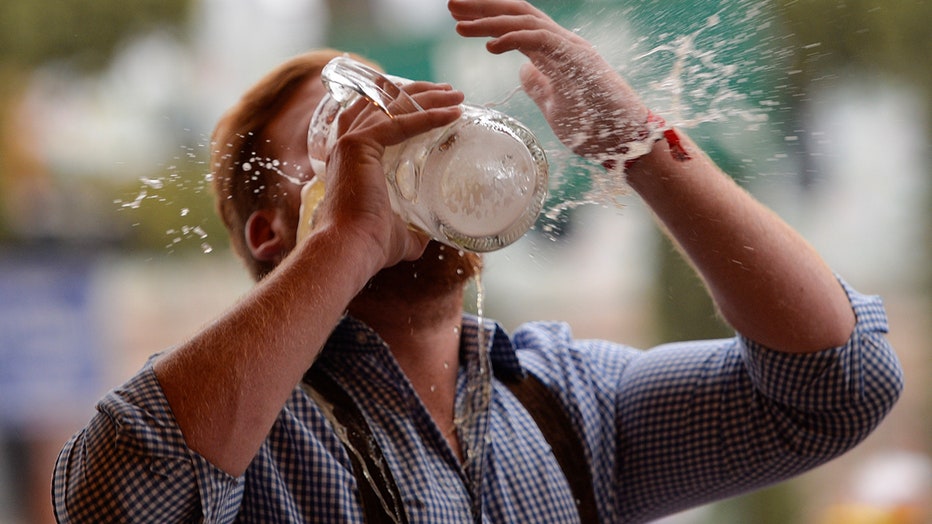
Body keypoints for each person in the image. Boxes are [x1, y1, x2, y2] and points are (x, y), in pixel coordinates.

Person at [53, 0, 903, 522]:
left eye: (408, 113)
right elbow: (118, 499)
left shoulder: (564, 401)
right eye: (346, 137)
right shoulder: (241, 432)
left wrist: (637, 144)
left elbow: (842, 383)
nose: (397, 142)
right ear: (272, 236)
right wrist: (345, 241)